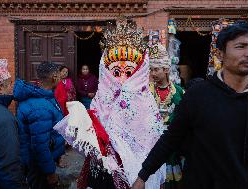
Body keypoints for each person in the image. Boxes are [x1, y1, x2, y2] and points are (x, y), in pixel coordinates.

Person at [132, 21, 248, 189]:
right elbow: (171, 139)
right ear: (220, 54)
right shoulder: (198, 95)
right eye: (241, 46)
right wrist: (143, 176)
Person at [54, 17, 166, 189]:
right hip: (103, 169)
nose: (121, 77)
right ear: (106, 72)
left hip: (136, 174)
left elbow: (151, 140)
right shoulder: (100, 99)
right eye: (115, 71)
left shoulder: (146, 103)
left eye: (128, 71)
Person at [14, 61, 65, 189]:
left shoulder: (44, 96)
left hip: (41, 161)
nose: (60, 78)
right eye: (59, 75)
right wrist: (50, 173)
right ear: (54, 77)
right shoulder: (40, 107)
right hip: (38, 166)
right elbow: (40, 145)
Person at [149, 43, 184, 189]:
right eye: (151, 70)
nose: (153, 73)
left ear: (166, 70)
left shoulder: (179, 92)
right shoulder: (146, 92)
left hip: (172, 145)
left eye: (156, 69)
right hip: (151, 143)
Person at [0, 59, 26, 189]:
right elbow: (8, 166)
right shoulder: (4, 118)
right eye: (10, 83)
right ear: (0, 88)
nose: (12, 87)